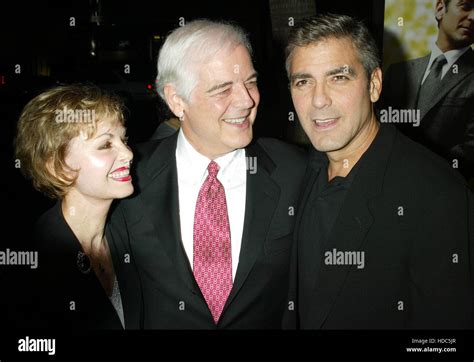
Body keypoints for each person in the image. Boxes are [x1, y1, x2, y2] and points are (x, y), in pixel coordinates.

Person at [106, 19, 307, 329]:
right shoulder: (128, 176)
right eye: (222, 89)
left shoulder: (296, 170)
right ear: (177, 100)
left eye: (250, 82)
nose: (246, 100)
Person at [284, 13, 473, 329]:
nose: (318, 100)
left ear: (374, 85)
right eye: (303, 81)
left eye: (338, 77)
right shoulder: (299, 172)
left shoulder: (438, 195)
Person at [14, 84, 134, 329]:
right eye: (105, 145)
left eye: (123, 140)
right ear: (58, 167)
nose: (128, 153)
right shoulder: (36, 261)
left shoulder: (128, 229)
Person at [379, 0, 474, 182]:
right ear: (440, 9)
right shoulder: (398, 71)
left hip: (444, 186)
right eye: (465, 6)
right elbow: (378, 126)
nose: (473, 17)